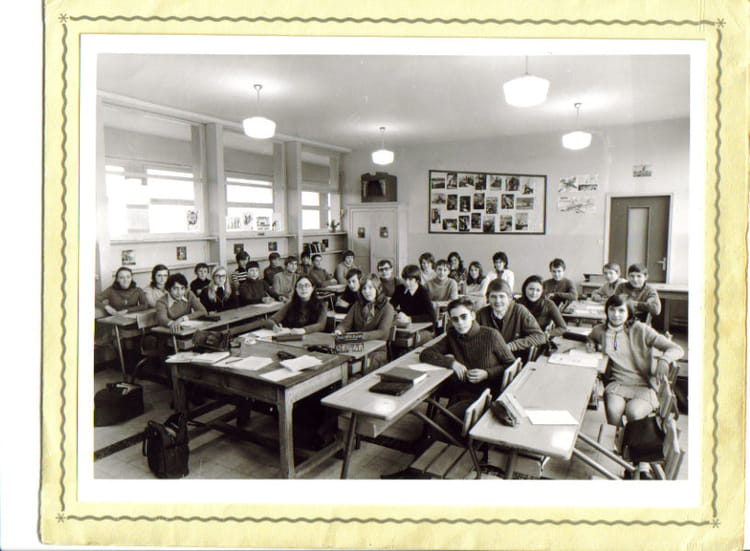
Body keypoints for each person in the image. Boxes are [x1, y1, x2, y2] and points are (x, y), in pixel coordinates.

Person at [587, 294, 683, 426]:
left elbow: (677, 349)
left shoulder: (640, 329)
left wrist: (664, 359)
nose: (616, 315)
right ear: (606, 311)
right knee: (613, 411)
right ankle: (617, 437)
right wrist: (591, 343)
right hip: (617, 383)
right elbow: (591, 337)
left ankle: (630, 437)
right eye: (612, 310)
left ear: (629, 312)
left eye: (621, 310)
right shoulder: (601, 330)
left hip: (643, 384)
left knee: (634, 413)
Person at [420, 297, 515, 403]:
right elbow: (426, 354)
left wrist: (487, 373)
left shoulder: (491, 335)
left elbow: (511, 364)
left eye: (464, 317)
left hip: (489, 395)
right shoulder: (452, 335)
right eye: (455, 319)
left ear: (473, 315)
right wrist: (452, 363)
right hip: (462, 392)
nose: (460, 323)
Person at [336, 274, 395, 369]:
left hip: (377, 350)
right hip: (358, 346)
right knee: (337, 359)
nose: (367, 292)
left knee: (362, 365)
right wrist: (339, 330)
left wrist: (360, 336)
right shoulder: (357, 305)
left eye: (370, 288)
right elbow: (345, 324)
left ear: (378, 288)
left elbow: (383, 332)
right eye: (364, 288)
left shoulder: (387, 308)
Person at [476, 279, 546, 360]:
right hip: (489, 358)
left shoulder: (519, 311)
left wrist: (511, 346)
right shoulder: (481, 314)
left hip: (514, 358)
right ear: (487, 298)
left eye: (502, 296)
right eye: (493, 297)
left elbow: (540, 337)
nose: (497, 301)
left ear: (509, 298)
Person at [260, 275, 328, 335]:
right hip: (292, 338)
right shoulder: (290, 305)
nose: (303, 289)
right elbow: (269, 320)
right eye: (300, 286)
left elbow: (321, 325)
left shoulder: (321, 305)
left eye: (307, 286)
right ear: (296, 289)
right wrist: (274, 327)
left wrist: (303, 330)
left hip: (312, 339)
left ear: (312, 288)